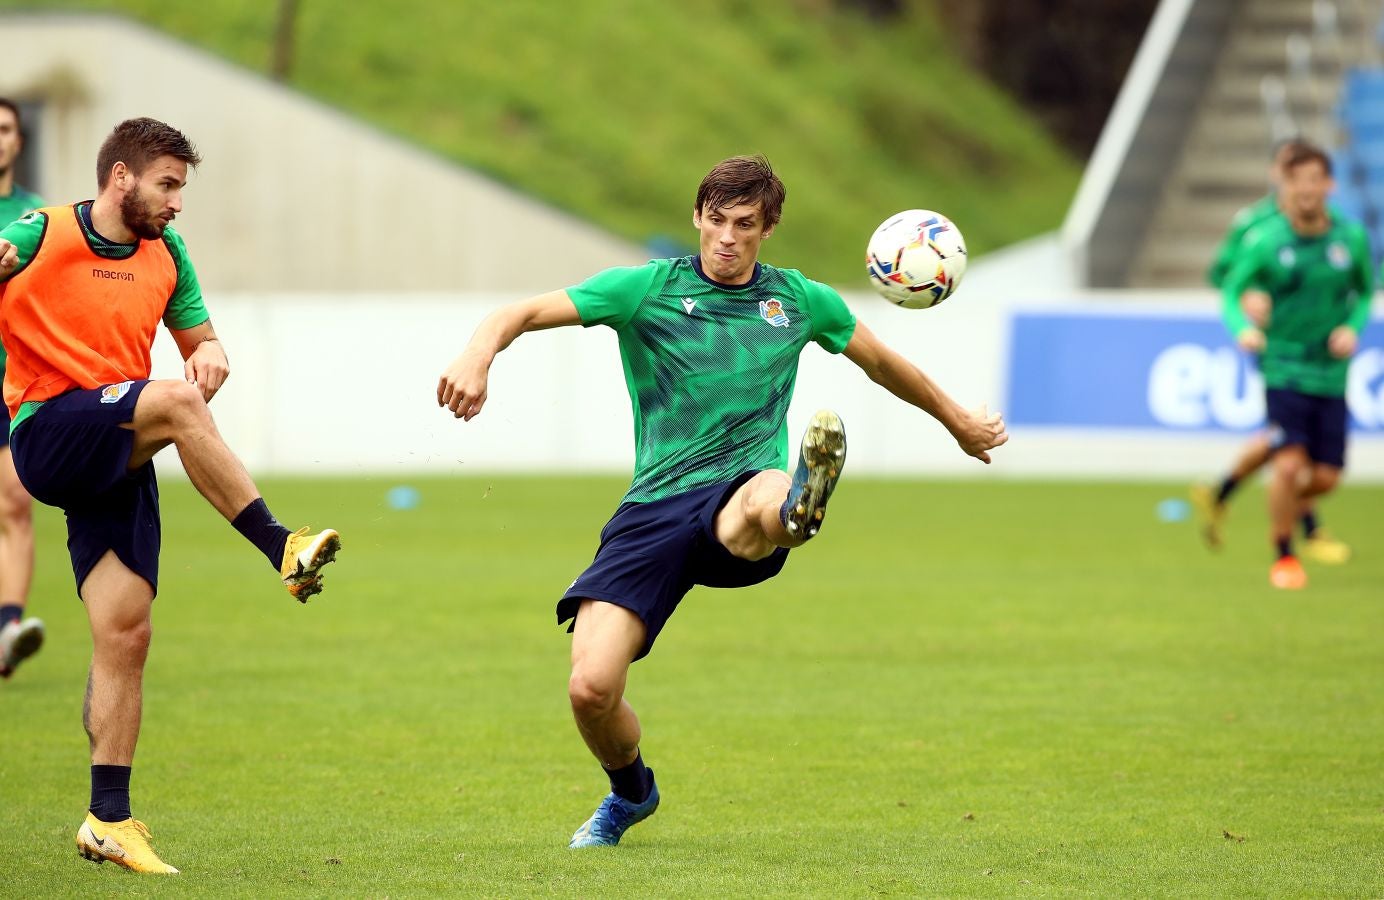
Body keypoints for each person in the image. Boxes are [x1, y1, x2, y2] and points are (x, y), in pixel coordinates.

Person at [437, 155, 1007, 848]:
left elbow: (884, 363)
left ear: (768, 228)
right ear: (697, 218)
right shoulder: (645, 290)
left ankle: (801, 506)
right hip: (651, 510)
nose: (727, 237)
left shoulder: (799, 301)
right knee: (590, 688)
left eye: (744, 224)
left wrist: (957, 422)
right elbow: (520, 311)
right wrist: (478, 355)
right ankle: (630, 794)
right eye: (715, 221)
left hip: (742, 490)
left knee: (764, 498)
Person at [0, 117, 342, 874]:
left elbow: (200, 341)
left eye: (181, 187)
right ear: (121, 177)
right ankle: (280, 544)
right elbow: (10, 252)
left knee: (126, 634)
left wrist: (213, 350)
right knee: (179, 406)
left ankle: (108, 820)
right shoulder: (43, 229)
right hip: (50, 430)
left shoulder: (168, 253)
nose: (178, 202)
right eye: (168, 184)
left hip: (118, 446)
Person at [1218, 142, 1372, 590]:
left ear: (1329, 185)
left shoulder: (1350, 239)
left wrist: (1353, 327)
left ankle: (1276, 503)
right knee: (1287, 466)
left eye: (1313, 180)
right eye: (1296, 180)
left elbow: (1364, 291)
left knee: (1325, 477)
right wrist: (1242, 325)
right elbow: (1230, 289)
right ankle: (1284, 554)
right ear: (1284, 186)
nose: (1305, 190)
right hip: (1282, 365)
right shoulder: (1266, 241)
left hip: (1331, 372)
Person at [1192, 137, 1348, 564]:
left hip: (1320, 352)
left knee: (1286, 444)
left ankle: (1223, 489)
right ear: (1277, 175)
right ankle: (1305, 532)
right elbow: (1224, 274)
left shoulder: (1335, 230)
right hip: (1274, 344)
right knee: (1289, 450)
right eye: (1289, 172)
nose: (1298, 183)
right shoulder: (1256, 224)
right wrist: (1248, 301)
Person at [0, 98, 46, 678]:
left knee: (14, 502)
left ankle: (8, 630)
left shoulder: (39, 216)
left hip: (11, 378)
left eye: (6, 128)